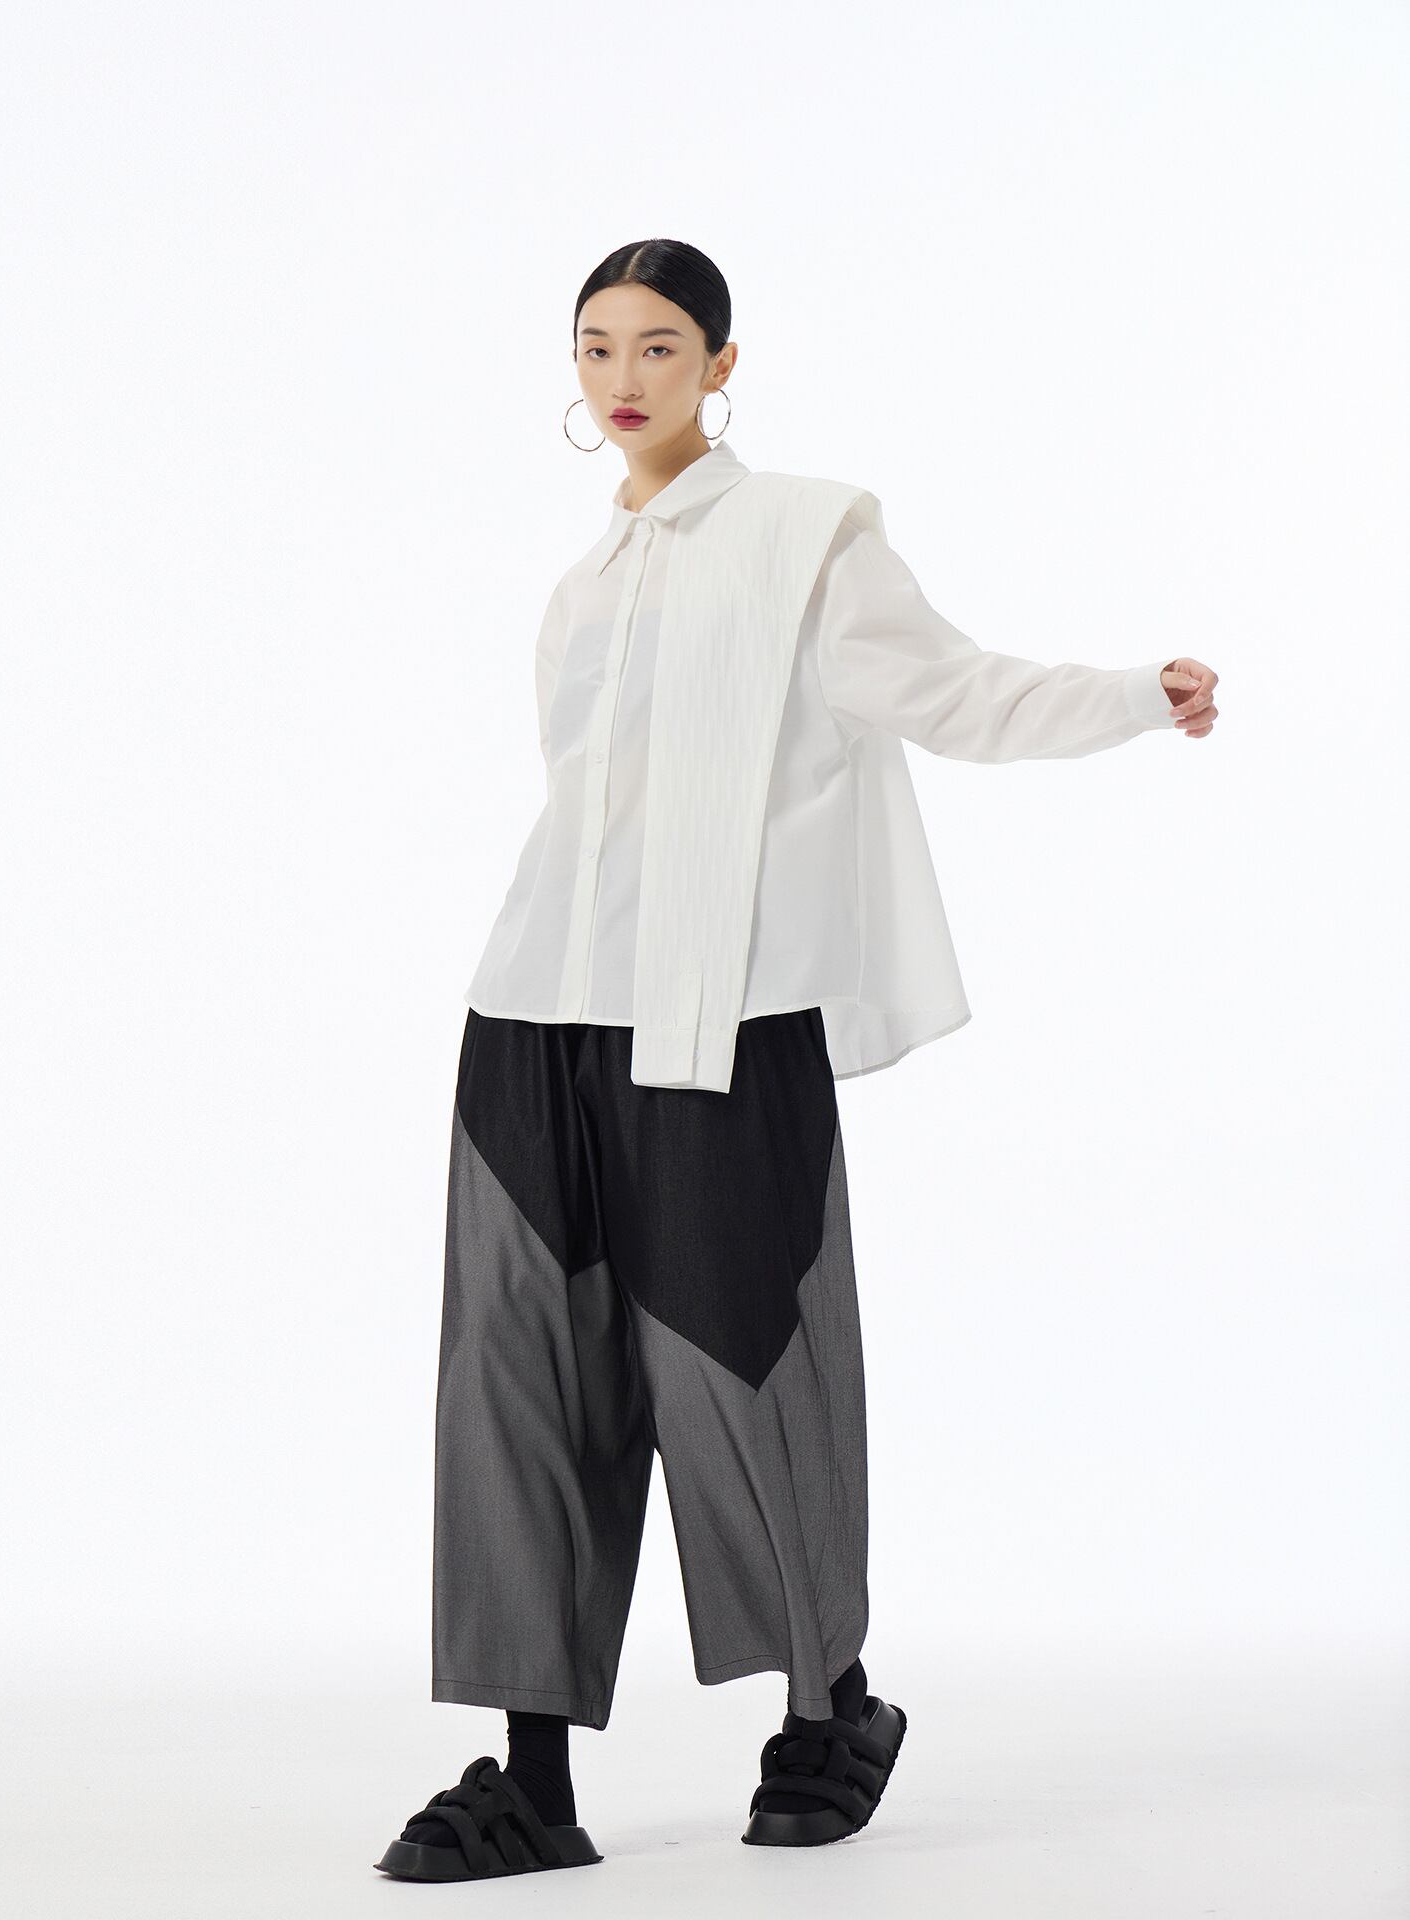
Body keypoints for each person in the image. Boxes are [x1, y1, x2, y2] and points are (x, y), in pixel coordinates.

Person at [373, 238, 1220, 1884]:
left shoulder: (806, 537)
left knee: (752, 1371)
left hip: (722, 1024)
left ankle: (832, 1709)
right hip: (533, 1016)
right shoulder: (583, 584)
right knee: (518, 1386)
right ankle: (532, 1781)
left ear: (722, 363)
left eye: (660, 345)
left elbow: (954, 694)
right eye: (598, 346)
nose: (625, 376)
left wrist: (1133, 694)